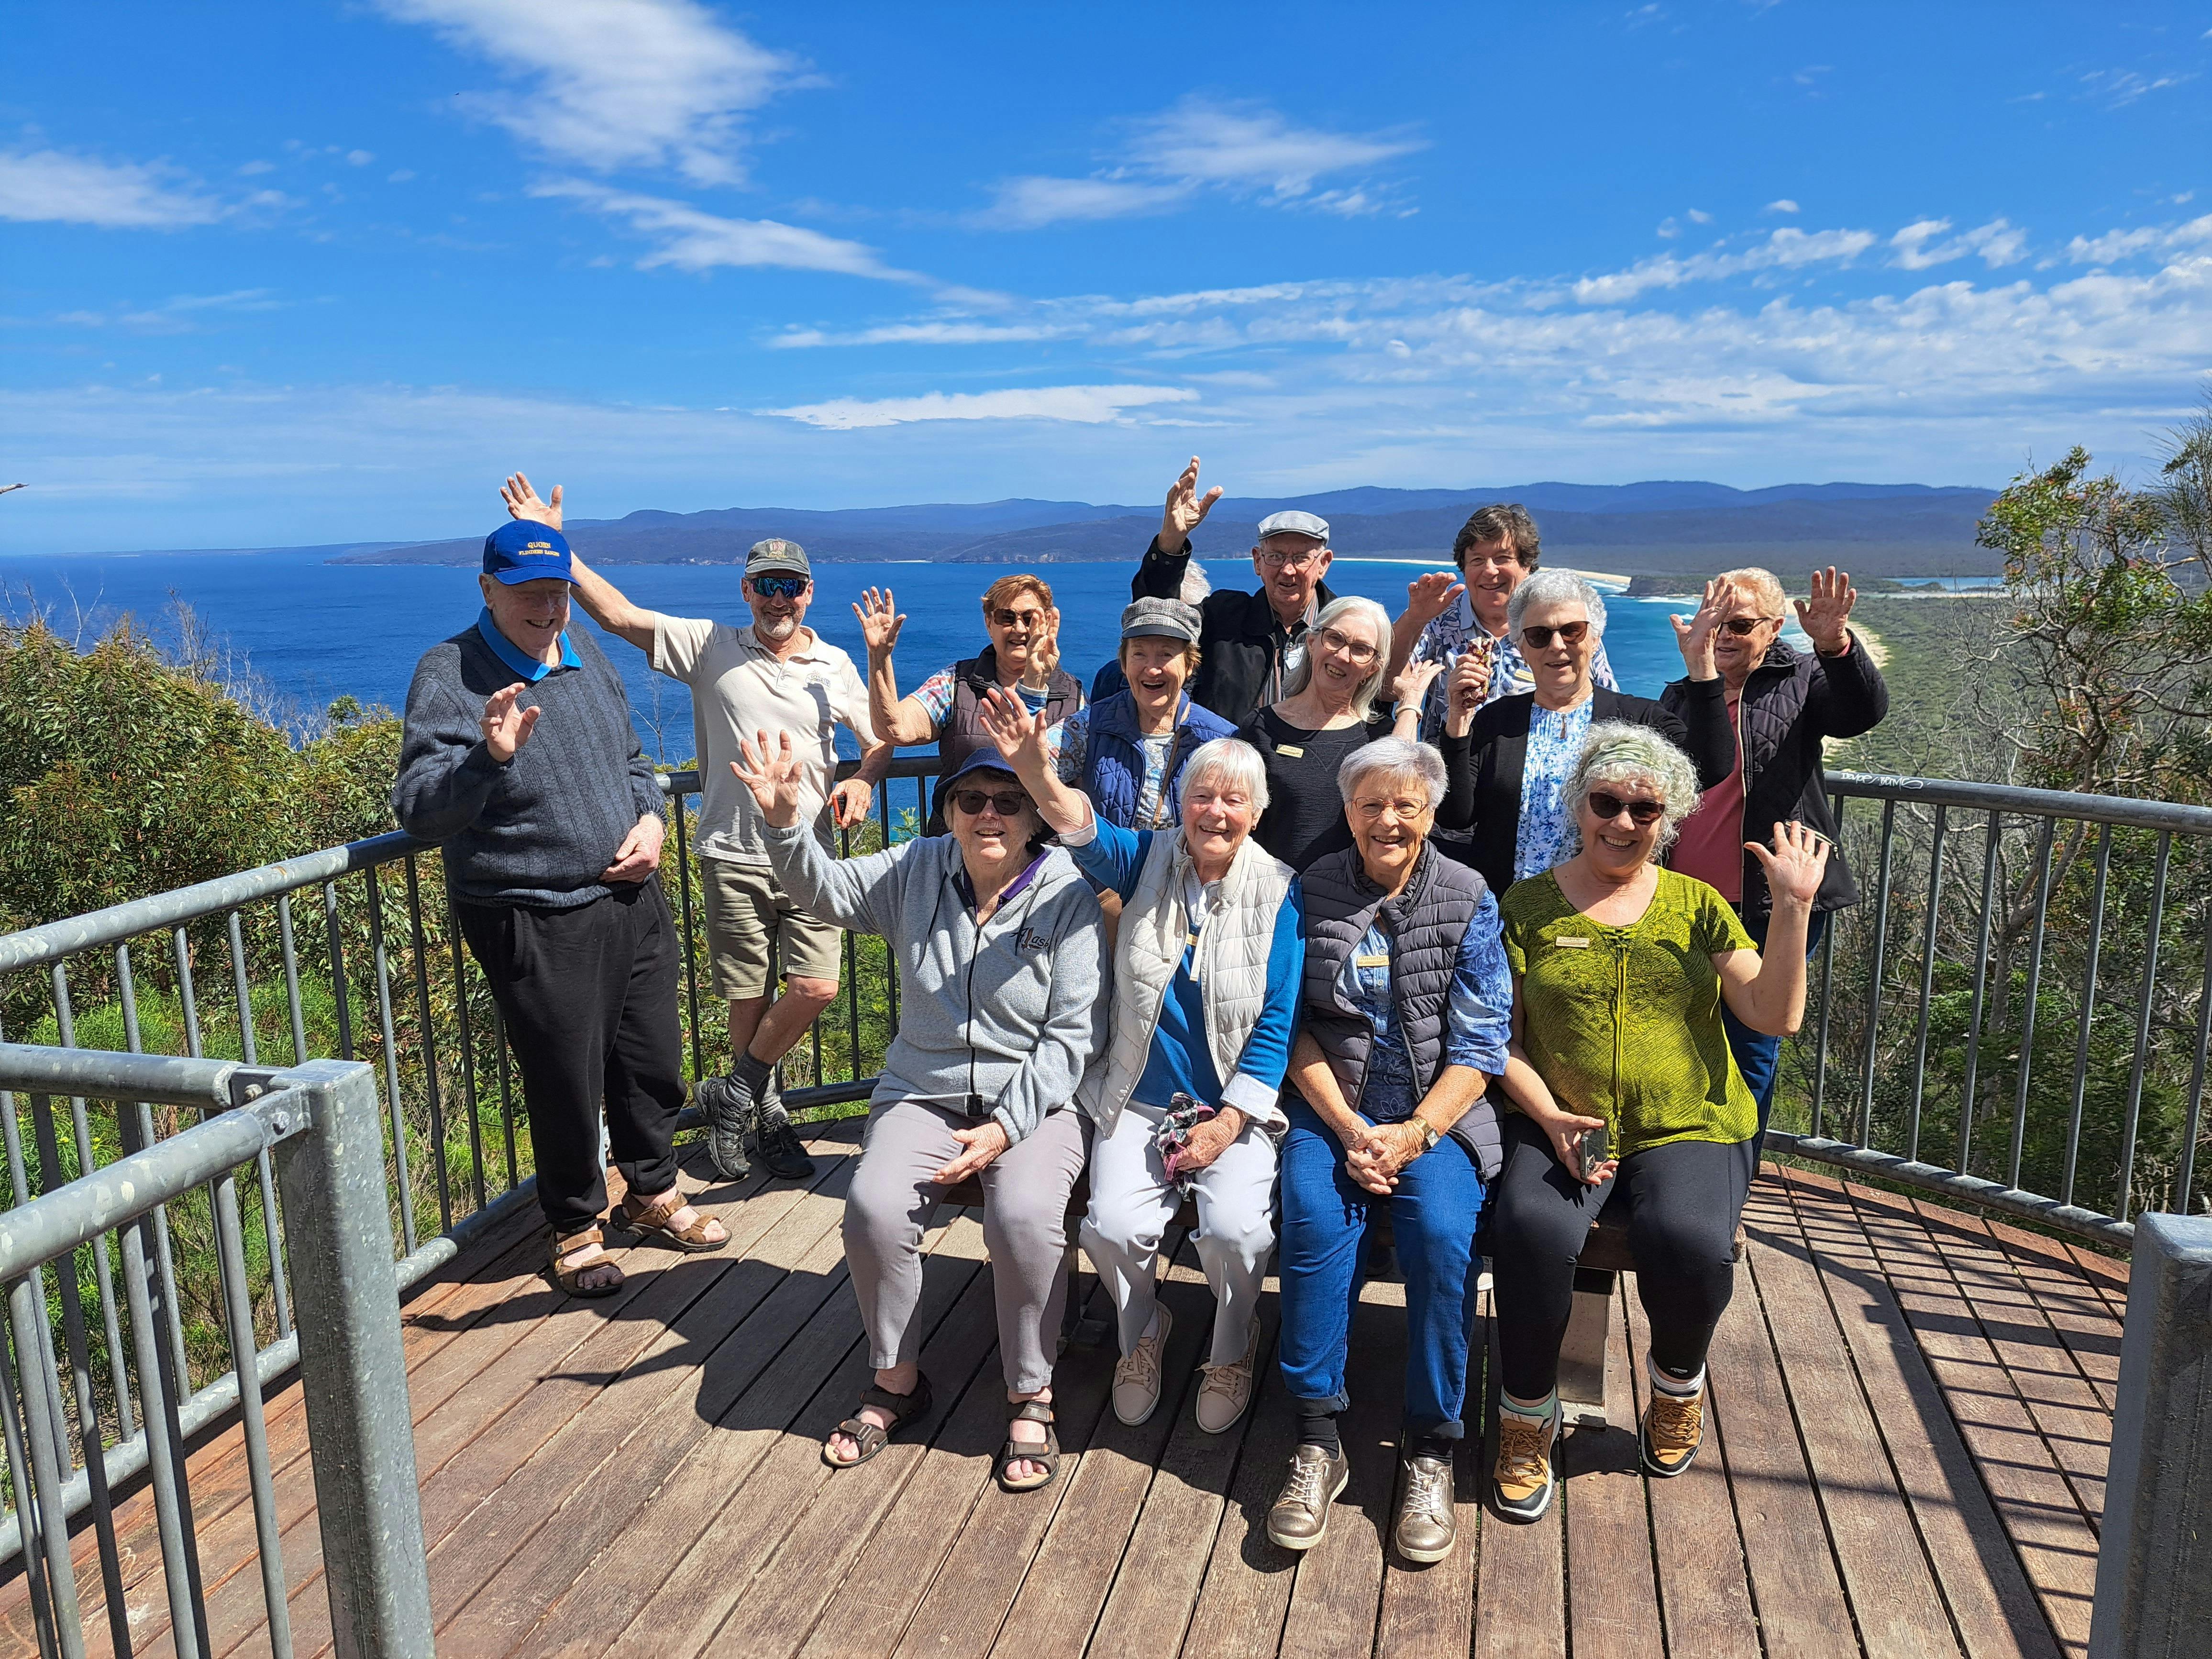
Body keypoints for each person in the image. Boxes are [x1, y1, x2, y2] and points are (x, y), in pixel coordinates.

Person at [733, 736, 1107, 1493]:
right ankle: (896, 1380)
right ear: (949, 812)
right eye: (971, 800)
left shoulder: (1068, 890)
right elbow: (824, 892)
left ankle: (1030, 1391)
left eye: (1008, 801)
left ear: (1035, 815)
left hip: (1034, 1098)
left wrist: (1005, 1127)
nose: (989, 814)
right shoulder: (916, 867)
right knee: (872, 1207)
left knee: (1025, 1214)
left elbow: (1075, 1035)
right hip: (922, 1090)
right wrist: (781, 825)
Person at [501, 476, 890, 1185]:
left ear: (809, 594)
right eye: (765, 585)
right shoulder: (711, 646)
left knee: (817, 986)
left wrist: (865, 777)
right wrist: (555, 543)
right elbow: (619, 616)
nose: (778, 599)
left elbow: (882, 738)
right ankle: (762, 1118)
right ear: (746, 591)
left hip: (810, 855)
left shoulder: (833, 665)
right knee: (748, 996)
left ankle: (732, 1094)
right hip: (733, 851)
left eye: (790, 587)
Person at [1487, 723, 1828, 1522]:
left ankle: (1676, 1387)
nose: (1622, 821)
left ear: (1666, 819)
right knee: (1531, 1227)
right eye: (1606, 802)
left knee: (1690, 1238)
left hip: (1686, 1120)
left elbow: (1773, 1013)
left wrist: (1792, 908)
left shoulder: (1695, 905)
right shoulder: (1526, 906)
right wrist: (1547, 1114)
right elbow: (1499, 1040)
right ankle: (1525, 1415)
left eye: (1644, 810)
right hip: (1559, 1116)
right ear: (1579, 806)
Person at [393, 518, 728, 1299]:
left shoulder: (583, 654)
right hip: (533, 910)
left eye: (558, 593)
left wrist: (652, 822)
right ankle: (575, 1226)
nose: (547, 610)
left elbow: (633, 762)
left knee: (651, 1060)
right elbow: (419, 809)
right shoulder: (449, 672)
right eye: (529, 595)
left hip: (632, 894)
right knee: (565, 1078)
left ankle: (651, 1191)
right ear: (488, 589)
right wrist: (490, 757)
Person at [979, 695, 1300, 1435]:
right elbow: (1079, 827)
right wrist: (1033, 769)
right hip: (1138, 1097)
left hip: (1232, 1110)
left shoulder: (1279, 892)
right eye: (1201, 795)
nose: (1215, 812)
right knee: (1114, 1227)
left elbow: (1277, 1020)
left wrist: (1229, 1124)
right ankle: (1142, 1331)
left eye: (1233, 799)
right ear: (1181, 803)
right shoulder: (1146, 858)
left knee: (1238, 1233)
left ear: (1256, 812)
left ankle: (1232, 1344)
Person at [1269, 739, 1522, 1567]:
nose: (1387, 820)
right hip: (1331, 1108)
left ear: (1431, 813)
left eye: (1405, 805)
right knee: (1313, 1221)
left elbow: (1481, 1043)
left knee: (1443, 1236)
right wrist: (1349, 1128)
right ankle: (1316, 1436)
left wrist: (1413, 1133)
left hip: (1437, 1117)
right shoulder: (1310, 888)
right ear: (1347, 812)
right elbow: (1290, 1025)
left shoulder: (1467, 894)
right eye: (1370, 804)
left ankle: (1431, 1445)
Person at [1659, 567, 1887, 1154]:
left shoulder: (1802, 677)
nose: (1724, 636)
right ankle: (1683, 1166)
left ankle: (1734, 1175)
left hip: (1768, 900)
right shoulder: (1682, 693)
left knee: (1751, 1045)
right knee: (1680, 1039)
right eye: (1714, 623)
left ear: (1774, 627)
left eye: (1739, 625)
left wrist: (1835, 646)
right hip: (1686, 901)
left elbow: (1858, 713)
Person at [1437, 569, 1731, 895]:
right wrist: (1458, 720)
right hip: (1507, 910)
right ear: (1521, 648)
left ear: (1595, 639)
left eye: (1572, 631)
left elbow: (1710, 767)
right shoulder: (1496, 721)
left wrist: (1702, 668)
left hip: (1607, 908)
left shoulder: (1637, 719)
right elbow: (1455, 815)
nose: (1557, 645)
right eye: (1539, 635)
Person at [855, 574, 1082, 834]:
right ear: (989, 623)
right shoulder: (956, 682)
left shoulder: (1073, 695)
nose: (1019, 629)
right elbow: (894, 729)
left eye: (1030, 618)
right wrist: (879, 658)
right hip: (959, 844)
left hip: (1042, 849)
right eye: (1006, 617)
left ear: (1048, 622)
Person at [1130, 456, 1340, 726]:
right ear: (1257, 561)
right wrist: (1172, 540)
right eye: (1275, 557)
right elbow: (1156, 616)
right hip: (1228, 752)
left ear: (1323, 564)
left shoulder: (1344, 626)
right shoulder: (1223, 618)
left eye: (1301, 558)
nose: (1288, 570)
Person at [1384, 501, 1619, 743]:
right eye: (1477, 560)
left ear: (1527, 566)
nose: (1489, 571)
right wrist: (1414, 619)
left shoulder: (1563, 629)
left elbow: (1610, 708)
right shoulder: (1439, 622)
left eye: (1502, 558)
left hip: (1531, 762)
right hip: (1448, 763)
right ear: (1464, 568)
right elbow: (1386, 689)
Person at [1239, 595, 1441, 873]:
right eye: (1335, 639)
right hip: (1269, 891)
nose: (1343, 656)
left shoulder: (1380, 736)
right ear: (1312, 643)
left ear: (1373, 669)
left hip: (1349, 896)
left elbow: (1397, 794)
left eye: (1360, 650)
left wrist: (1410, 705)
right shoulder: (1260, 728)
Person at [1051, 597, 1234, 832]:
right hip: (1106, 857)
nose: (1152, 669)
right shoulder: (1090, 725)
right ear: (1124, 664)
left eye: (1166, 654)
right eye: (1139, 654)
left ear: (1190, 665)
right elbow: (1023, 771)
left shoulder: (1219, 740)